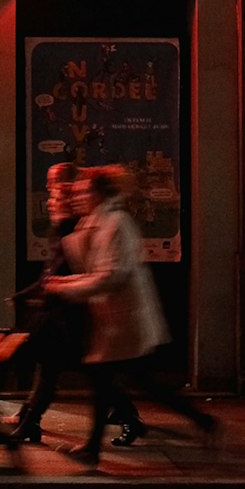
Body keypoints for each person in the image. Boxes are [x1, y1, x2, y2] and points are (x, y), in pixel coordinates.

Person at [43, 166, 196, 466]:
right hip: (113, 320)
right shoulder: (96, 222)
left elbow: (112, 275)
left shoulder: (116, 223)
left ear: (100, 193)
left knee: (113, 382)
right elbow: (86, 264)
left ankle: (92, 449)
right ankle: (200, 421)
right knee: (132, 383)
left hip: (126, 319)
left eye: (85, 190)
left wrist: (65, 287)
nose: (79, 194)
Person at [8, 162, 94, 442]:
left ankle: (29, 421)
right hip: (61, 304)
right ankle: (28, 419)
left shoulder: (72, 223)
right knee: (51, 367)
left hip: (67, 307)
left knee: (60, 368)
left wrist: (36, 293)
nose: (48, 191)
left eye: (53, 185)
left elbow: (60, 268)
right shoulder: (66, 221)